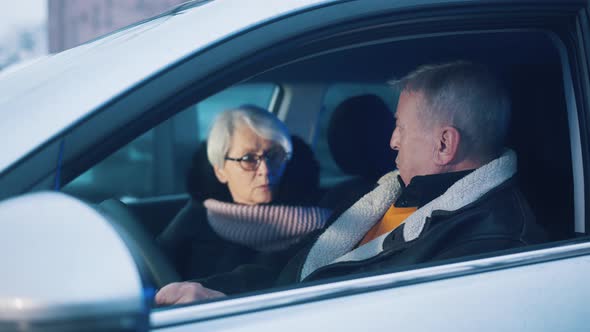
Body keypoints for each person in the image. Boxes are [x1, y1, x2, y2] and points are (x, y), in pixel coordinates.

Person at [155, 61, 547, 305]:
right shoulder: (386, 196)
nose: (391, 140)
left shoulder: (490, 248)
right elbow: (305, 268)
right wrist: (217, 295)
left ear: (444, 144)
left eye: (400, 128)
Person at [156, 105, 331, 288]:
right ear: (220, 171)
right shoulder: (194, 220)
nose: (265, 170)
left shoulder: (324, 221)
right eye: (248, 159)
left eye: (274, 155)